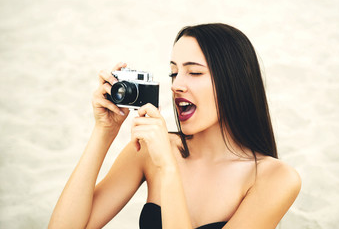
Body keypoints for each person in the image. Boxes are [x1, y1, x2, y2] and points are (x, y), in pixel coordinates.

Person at [49, 23, 301, 229]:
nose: (176, 85)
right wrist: (104, 132)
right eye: (173, 73)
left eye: (194, 72)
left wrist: (167, 168)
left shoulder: (275, 179)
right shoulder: (148, 150)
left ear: (234, 83)